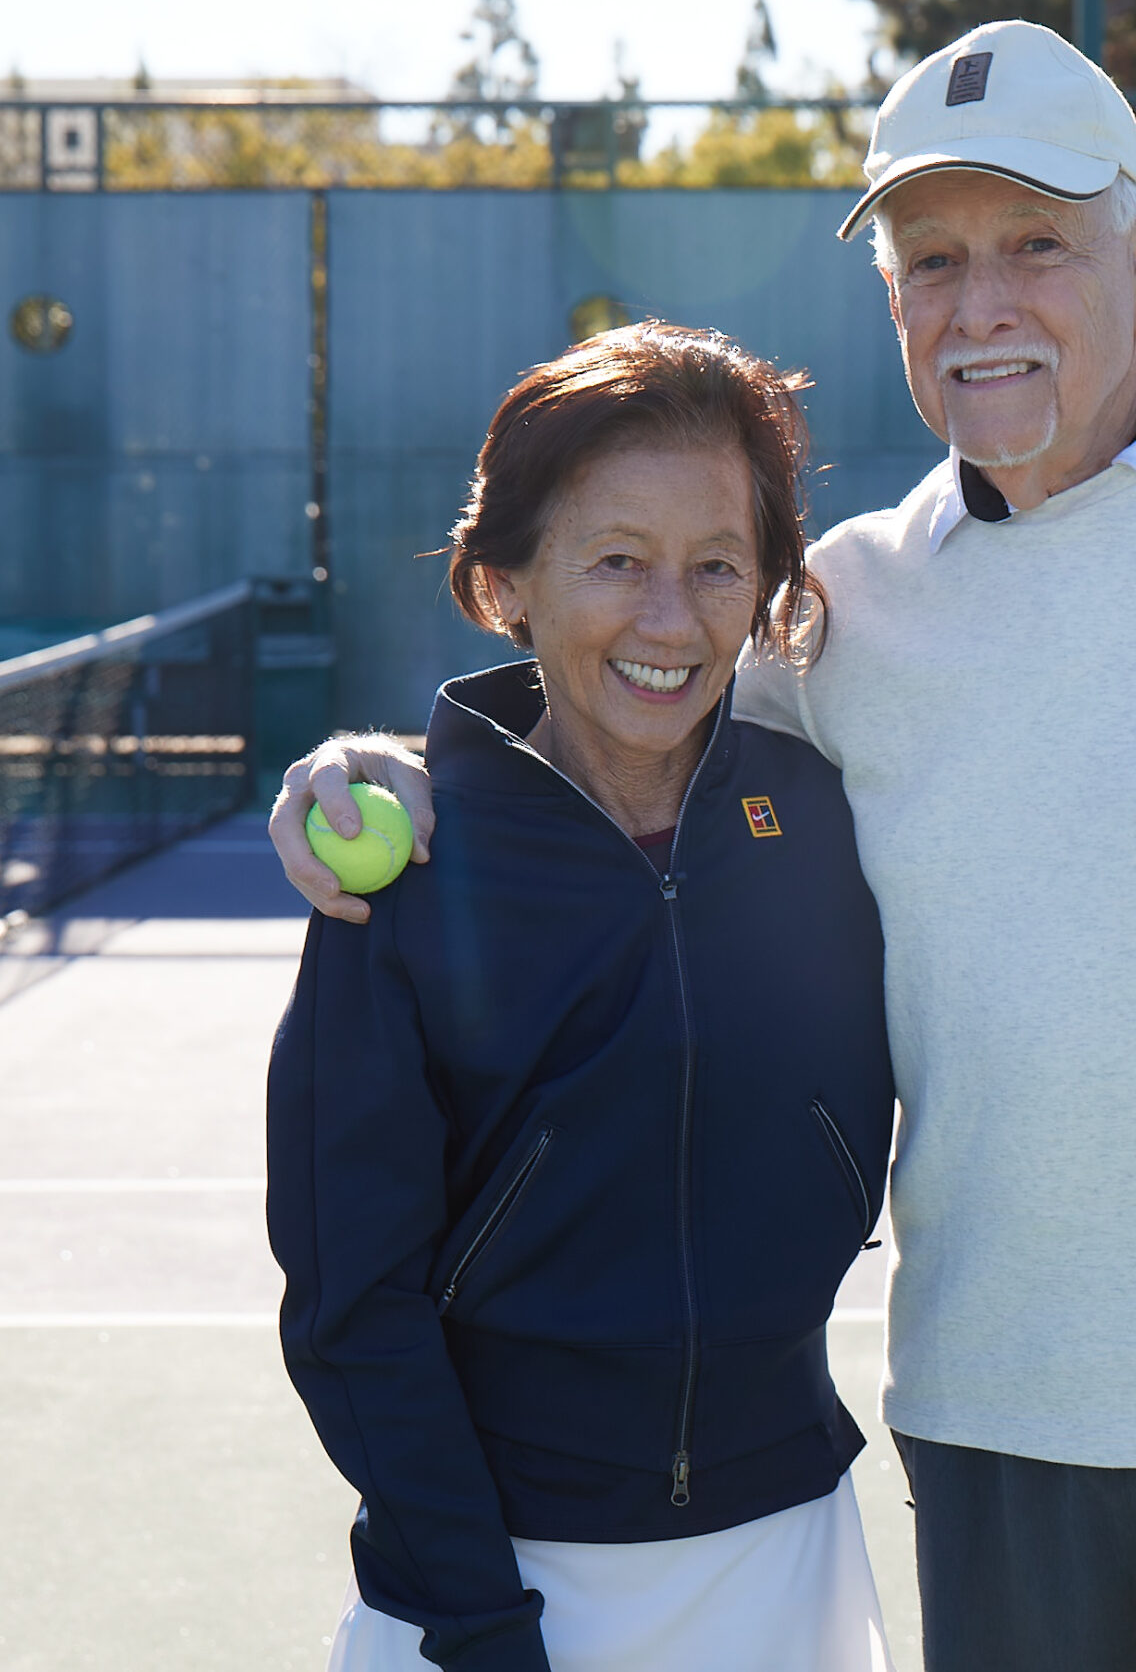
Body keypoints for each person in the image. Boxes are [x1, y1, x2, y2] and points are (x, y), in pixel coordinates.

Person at [275, 21, 1136, 1672]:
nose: (980, 303)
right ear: (893, 303)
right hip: (999, 1430)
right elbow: (619, 705)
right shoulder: (845, 611)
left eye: (1036, 244)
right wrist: (383, 764)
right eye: (932, 260)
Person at [268, 324, 898, 1672]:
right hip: (492, 1590)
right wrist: (481, 1621)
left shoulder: (827, 820)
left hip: (788, 1555)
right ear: (506, 582)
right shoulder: (407, 868)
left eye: (717, 565)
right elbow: (349, 1307)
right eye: (616, 561)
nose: (670, 621)